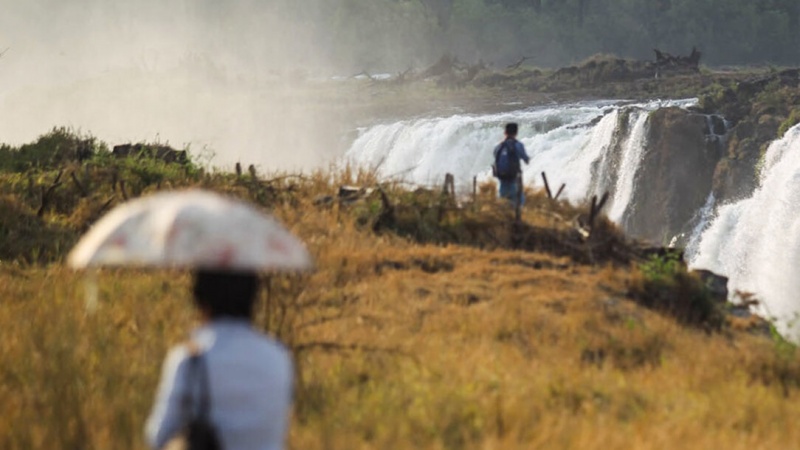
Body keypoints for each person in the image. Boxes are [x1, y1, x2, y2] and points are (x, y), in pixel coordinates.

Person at [145, 269, 293, 450]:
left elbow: (159, 435)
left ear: (200, 299)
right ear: (253, 297)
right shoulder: (278, 357)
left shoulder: (189, 360)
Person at [492, 122, 530, 205]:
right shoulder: (518, 145)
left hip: (502, 178)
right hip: (513, 179)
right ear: (516, 133)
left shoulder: (498, 147)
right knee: (519, 202)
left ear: (505, 132)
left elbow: (495, 158)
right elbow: (526, 159)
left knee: (503, 202)